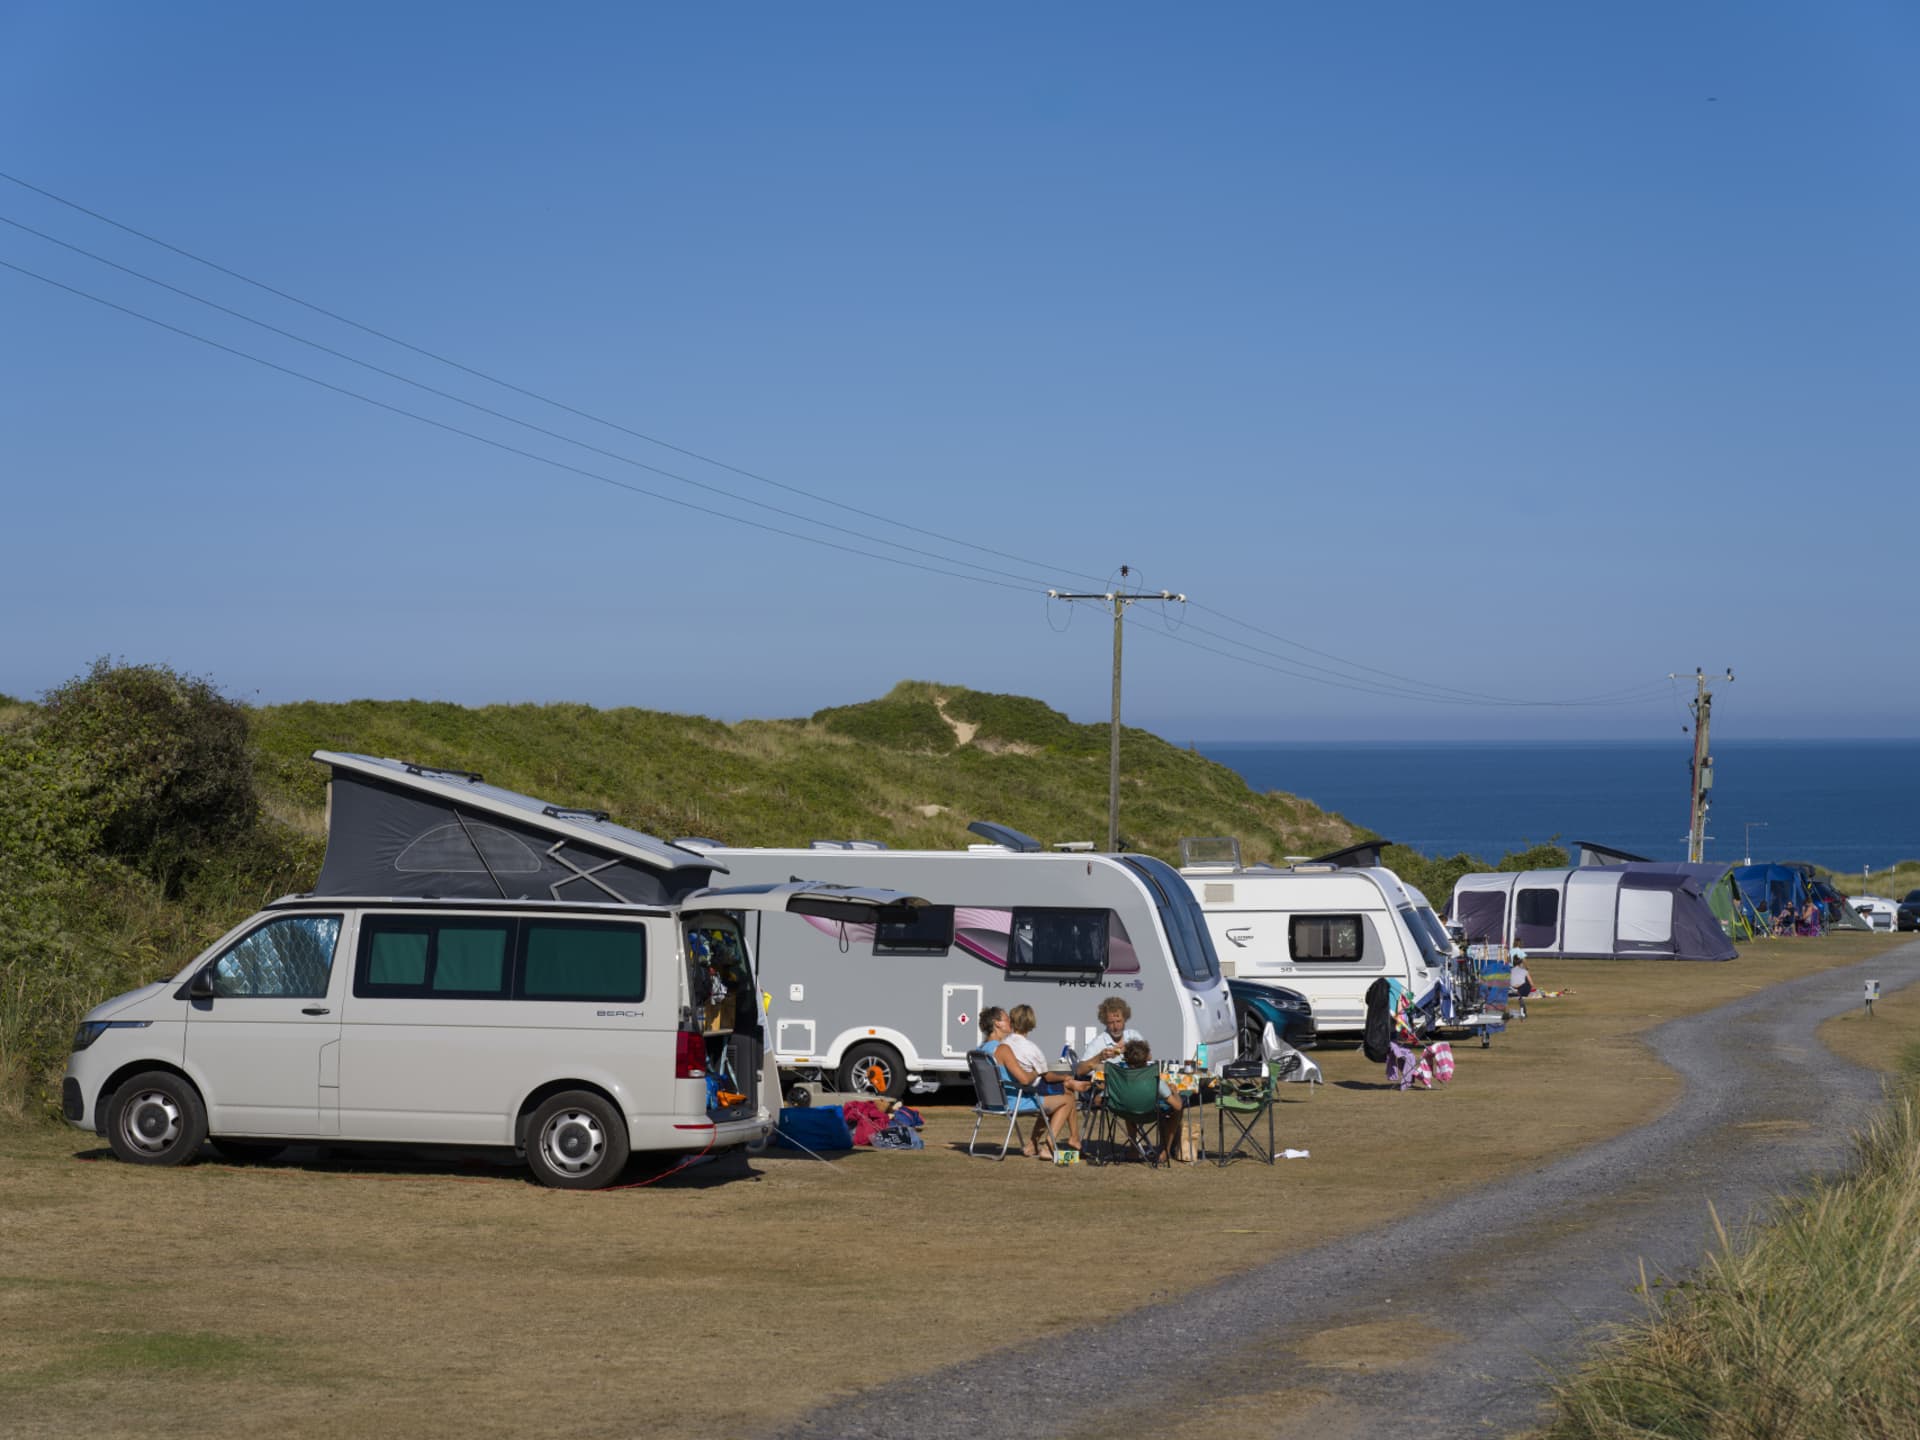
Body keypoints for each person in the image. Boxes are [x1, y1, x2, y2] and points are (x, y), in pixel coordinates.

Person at [980, 1007, 1086, 1158]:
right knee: (1068, 1100)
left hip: (990, 1102)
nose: (1010, 1021)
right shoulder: (1003, 1049)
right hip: (1013, 1100)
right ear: (997, 1024)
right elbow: (1024, 1079)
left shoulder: (982, 1049)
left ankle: (1032, 1146)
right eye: (1006, 1019)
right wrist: (1038, 1072)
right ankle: (1048, 1148)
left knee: (1053, 1100)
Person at [1117, 1037, 1183, 1161]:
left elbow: (1102, 1098)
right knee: (1175, 1109)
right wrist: (1175, 1092)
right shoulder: (1154, 1079)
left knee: (1130, 1105)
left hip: (1128, 1112)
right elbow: (1177, 1105)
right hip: (1151, 1113)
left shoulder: (1120, 1078)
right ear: (1147, 1057)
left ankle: (1133, 1149)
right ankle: (1165, 1151)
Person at [1073, 995, 1146, 1078]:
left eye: (1118, 1021)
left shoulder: (1134, 1035)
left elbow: (1148, 1057)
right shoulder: (1098, 1042)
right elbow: (1079, 1071)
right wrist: (1100, 1057)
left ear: (1125, 1019)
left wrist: (1129, 1049)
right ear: (1105, 1022)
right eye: (1111, 1023)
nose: (1115, 1026)